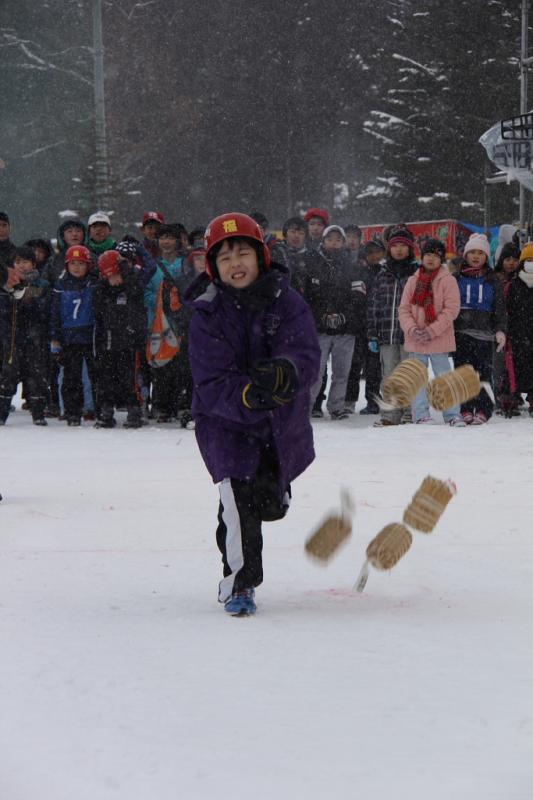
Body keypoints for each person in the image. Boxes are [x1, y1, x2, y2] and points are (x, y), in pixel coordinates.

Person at [186, 212, 320, 616]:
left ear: (261, 256)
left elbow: (306, 353)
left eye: (243, 253)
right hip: (225, 423)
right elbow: (210, 380)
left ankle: (275, 488)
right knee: (238, 501)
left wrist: (285, 373)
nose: (235, 264)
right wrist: (248, 394)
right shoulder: (207, 313)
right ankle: (239, 582)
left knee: (267, 503)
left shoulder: (287, 301)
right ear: (213, 267)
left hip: (278, 423)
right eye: (225, 259)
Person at [398, 238, 464, 426]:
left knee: (444, 377)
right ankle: (420, 415)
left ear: (441, 258)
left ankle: (452, 415)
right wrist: (412, 329)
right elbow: (404, 309)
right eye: (428, 254)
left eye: (436, 255)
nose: (431, 259)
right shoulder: (413, 280)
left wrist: (432, 330)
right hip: (416, 338)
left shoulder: (447, 280)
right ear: (421, 256)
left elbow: (452, 309)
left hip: (439, 339)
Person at [306, 225, 360, 420]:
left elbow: (358, 296)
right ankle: (308, 406)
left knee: (342, 371)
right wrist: (323, 316)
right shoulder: (312, 262)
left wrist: (344, 316)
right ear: (323, 241)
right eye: (330, 239)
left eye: (338, 240)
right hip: (319, 329)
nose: (334, 243)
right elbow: (308, 297)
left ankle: (336, 406)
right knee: (315, 372)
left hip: (346, 329)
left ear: (344, 242)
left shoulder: (353, 265)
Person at [367, 225, 418, 426]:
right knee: (389, 374)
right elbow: (373, 305)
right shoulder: (382, 274)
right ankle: (390, 414)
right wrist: (372, 334)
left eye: (403, 246)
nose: (398, 250)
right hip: (386, 334)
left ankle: (409, 411)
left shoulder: (416, 274)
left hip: (410, 336)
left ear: (410, 249)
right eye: (395, 245)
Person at [453, 233, 507, 424]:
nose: (476, 256)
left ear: (487, 257)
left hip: (485, 335)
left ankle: (484, 409)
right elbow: (449, 305)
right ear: (466, 255)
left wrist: (501, 330)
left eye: (480, 253)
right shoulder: (456, 278)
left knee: (483, 373)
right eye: (472, 252)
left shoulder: (493, 280)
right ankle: (466, 407)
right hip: (461, 334)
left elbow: (500, 308)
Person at [93, 250, 146, 429]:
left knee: (129, 378)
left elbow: (136, 293)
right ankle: (106, 410)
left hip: (129, 341)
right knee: (107, 378)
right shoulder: (102, 289)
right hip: (108, 341)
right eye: (110, 276)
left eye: (117, 275)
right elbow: (98, 310)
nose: (115, 280)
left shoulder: (132, 286)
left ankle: (134, 409)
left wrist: (125, 272)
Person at [0, 247, 50, 425]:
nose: (22, 266)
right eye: (18, 262)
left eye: (26, 262)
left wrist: (27, 298)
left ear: (33, 264)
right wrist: (10, 295)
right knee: (7, 375)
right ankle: (2, 413)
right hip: (11, 338)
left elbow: (44, 308)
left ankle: (38, 413)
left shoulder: (41, 284)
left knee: (36, 376)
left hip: (35, 337)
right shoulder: (6, 284)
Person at [50, 245, 97, 426]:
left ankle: (96, 408)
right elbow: (54, 313)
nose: (77, 267)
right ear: (67, 265)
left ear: (88, 266)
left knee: (94, 375)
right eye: (73, 263)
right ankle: (72, 412)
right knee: (71, 377)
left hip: (90, 336)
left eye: (81, 264)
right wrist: (55, 336)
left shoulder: (93, 284)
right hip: (69, 337)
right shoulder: (61, 286)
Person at [505, 242, 533, 416]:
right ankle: (511, 398)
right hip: (516, 335)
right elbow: (506, 310)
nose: (531, 263)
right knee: (514, 368)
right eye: (528, 259)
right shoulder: (512, 285)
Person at [493, 242, 520, 415]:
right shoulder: (494, 278)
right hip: (498, 327)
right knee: (498, 363)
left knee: (514, 363)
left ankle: (513, 394)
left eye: (515, 259)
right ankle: (499, 395)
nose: (511, 263)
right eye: (507, 259)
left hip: (517, 328)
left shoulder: (520, 279)